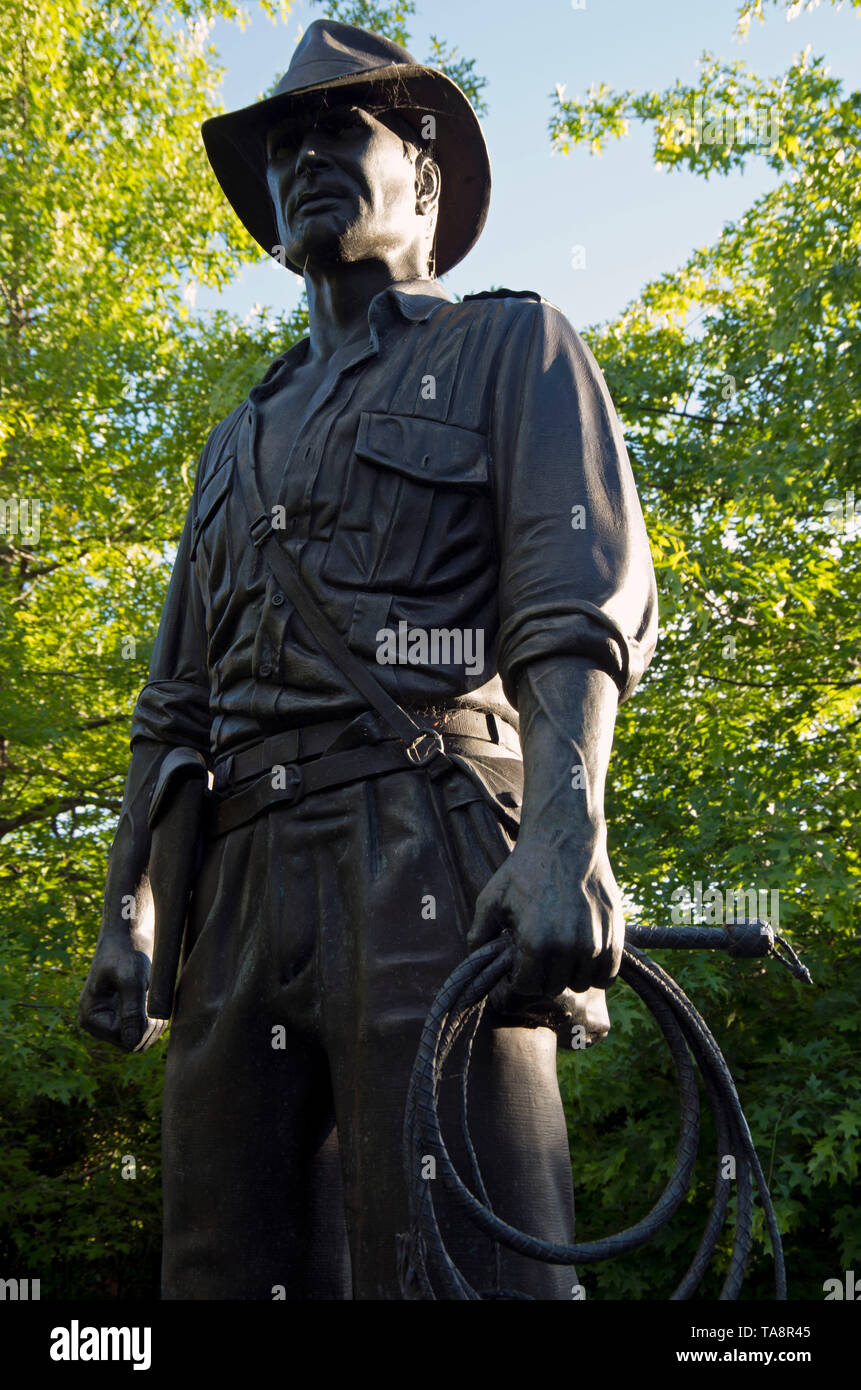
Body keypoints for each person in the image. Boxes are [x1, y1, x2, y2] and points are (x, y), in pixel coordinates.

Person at [78, 18, 658, 1300]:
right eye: (286, 146)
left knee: (467, 1257)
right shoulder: (231, 448)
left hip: (429, 847)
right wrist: (133, 913)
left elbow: (573, 600)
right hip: (234, 890)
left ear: (428, 185)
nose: (306, 162)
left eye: (345, 131)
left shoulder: (512, 349)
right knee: (221, 1269)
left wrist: (568, 832)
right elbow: (172, 706)